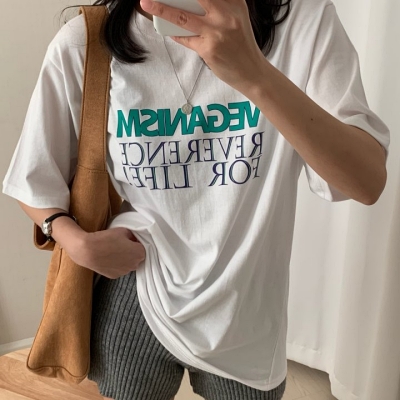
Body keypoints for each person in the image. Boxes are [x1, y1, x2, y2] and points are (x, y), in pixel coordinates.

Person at [2, 0, 390, 399]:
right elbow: (33, 178)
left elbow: (366, 182)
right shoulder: (87, 42)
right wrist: (77, 243)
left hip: (247, 316)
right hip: (136, 295)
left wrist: (255, 75)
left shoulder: (302, 21)